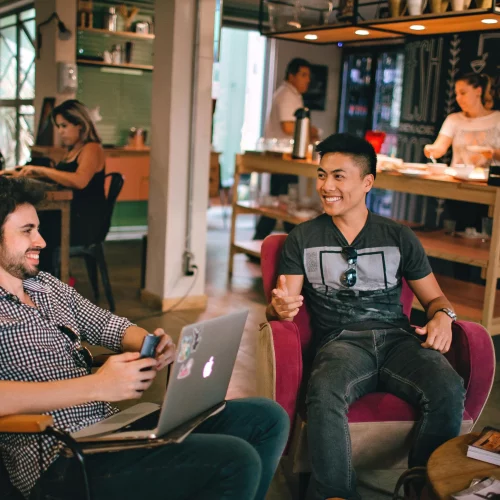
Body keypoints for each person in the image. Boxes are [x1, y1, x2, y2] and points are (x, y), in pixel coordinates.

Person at [0, 176, 290, 500]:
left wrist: (149, 343)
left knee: (266, 419)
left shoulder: (45, 285)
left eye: (38, 228)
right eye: (27, 231)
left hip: (108, 429)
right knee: (236, 462)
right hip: (59, 459)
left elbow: (108, 324)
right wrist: (97, 385)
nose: (41, 240)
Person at [266, 133, 466, 500]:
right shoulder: (303, 237)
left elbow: (436, 298)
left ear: (367, 182)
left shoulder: (398, 236)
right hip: (341, 342)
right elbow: (284, 301)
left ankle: (423, 490)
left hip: (399, 340)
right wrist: (278, 308)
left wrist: (444, 317)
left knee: (448, 387)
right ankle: (335, 494)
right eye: (322, 175)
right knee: (325, 389)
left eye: (338, 176)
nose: (326, 186)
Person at [16, 99, 108, 272]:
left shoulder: (92, 149)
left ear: (80, 124)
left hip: (85, 221)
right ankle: (36, 283)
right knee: (26, 226)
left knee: (33, 232)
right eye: (58, 127)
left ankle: (46, 286)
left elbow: (79, 181)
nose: (60, 132)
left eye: (64, 126)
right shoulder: (72, 151)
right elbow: (62, 178)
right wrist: (26, 172)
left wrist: (42, 170)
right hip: (71, 214)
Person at [253, 58, 319, 241]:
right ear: (292, 76)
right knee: (284, 203)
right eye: (303, 75)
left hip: (286, 158)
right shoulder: (287, 95)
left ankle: (269, 243)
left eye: (308, 76)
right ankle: (284, 245)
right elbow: (289, 127)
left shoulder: (291, 94)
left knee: (282, 203)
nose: (307, 80)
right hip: (284, 158)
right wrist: (311, 130)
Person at [424, 73, 499, 167]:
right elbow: (439, 148)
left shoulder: (497, 119)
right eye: (456, 94)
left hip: (489, 179)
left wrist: (493, 153)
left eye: (463, 93)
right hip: (457, 178)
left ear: (478, 91)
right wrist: (431, 150)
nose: (458, 98)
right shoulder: (453, 119)